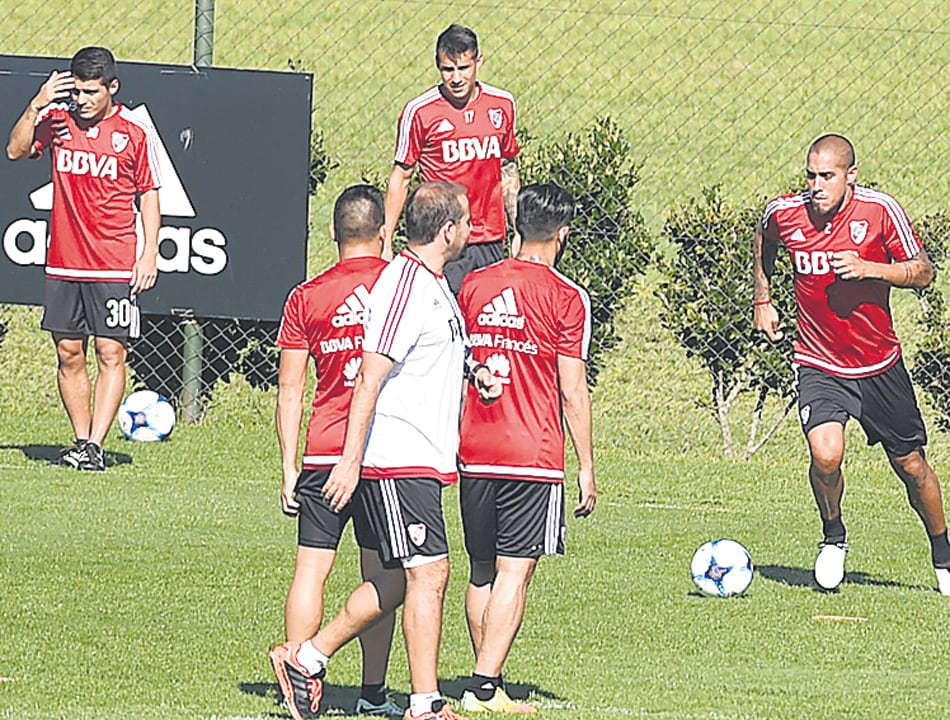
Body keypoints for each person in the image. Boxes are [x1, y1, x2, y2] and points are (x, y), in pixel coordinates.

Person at [270, 182, 502, 720]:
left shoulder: (433, 283)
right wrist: (350, 461)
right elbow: (370, 374)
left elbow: (433, 351)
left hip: (419, 458)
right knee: (429, 573)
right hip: (397, 456)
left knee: (400, 579)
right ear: (448, 230)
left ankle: (310, 659)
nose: (474, 231)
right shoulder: (404, 284)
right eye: (467, 222)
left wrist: (476, 373)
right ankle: (420, 702)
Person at [753, 133, 950, 596]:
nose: (816, 186)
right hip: (818, 361)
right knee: (825, 455)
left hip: (879, 365)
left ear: (851, 176)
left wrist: (871, 268)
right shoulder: (785, 212)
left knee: (912, 466)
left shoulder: (879, 211)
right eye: (811, 175)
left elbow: (923, 271)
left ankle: (943, 555)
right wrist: (763, 299)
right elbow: (763, 238)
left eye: (827, 176)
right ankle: (833, 536)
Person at [455, 183, 597, 713]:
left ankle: (485, 681)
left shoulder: (474, 284)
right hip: (531, 454)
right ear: (563, 234)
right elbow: (572, 388)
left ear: (517, 225)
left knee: (481, 570)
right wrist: (586, 465)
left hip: (474, 446)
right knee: (515, 571)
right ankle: (483, 686)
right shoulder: (567, 297)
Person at [268, 186, 406, 720]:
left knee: (311, 569)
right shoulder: (401, 289)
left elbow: (290, 389)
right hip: (380, 451)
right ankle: (372, 691)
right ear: (384, 232)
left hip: (323, 452)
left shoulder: (307, 296)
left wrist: (289, 466)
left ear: (332, 233)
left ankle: (297, 682)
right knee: (382, 574)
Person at [5, 46, 161, 471]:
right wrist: (36, 105)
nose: (82, 100)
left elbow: (149, 194)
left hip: (114, 262)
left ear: (113, 87)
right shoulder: (58, 120)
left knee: (111, 352)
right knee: (69, 353)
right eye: (77, 91)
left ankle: (96, 444)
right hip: (63, 261)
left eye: (91, 92)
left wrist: (148, 253)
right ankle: (81, 441)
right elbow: (15, 151)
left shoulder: (132, 133)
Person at [384, 24, 520, 293]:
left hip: (490, 239)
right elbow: (402, 176)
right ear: (438, 66)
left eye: (464, 68)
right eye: (448, 70)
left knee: (487, 314)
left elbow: (507, 169)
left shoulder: (502, 104)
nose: (456, 78)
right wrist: (386, 240)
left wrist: (519, 231)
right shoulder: (420, 111)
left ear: (478, 62)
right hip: (443, 239)